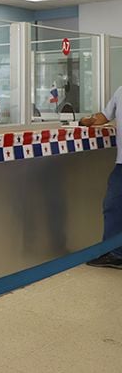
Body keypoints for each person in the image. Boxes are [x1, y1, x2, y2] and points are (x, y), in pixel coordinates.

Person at [79, 87, 122, 269]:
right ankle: (115, 254)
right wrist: (86, 121)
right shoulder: (120, 92)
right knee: (112, 205)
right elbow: (104, 116)